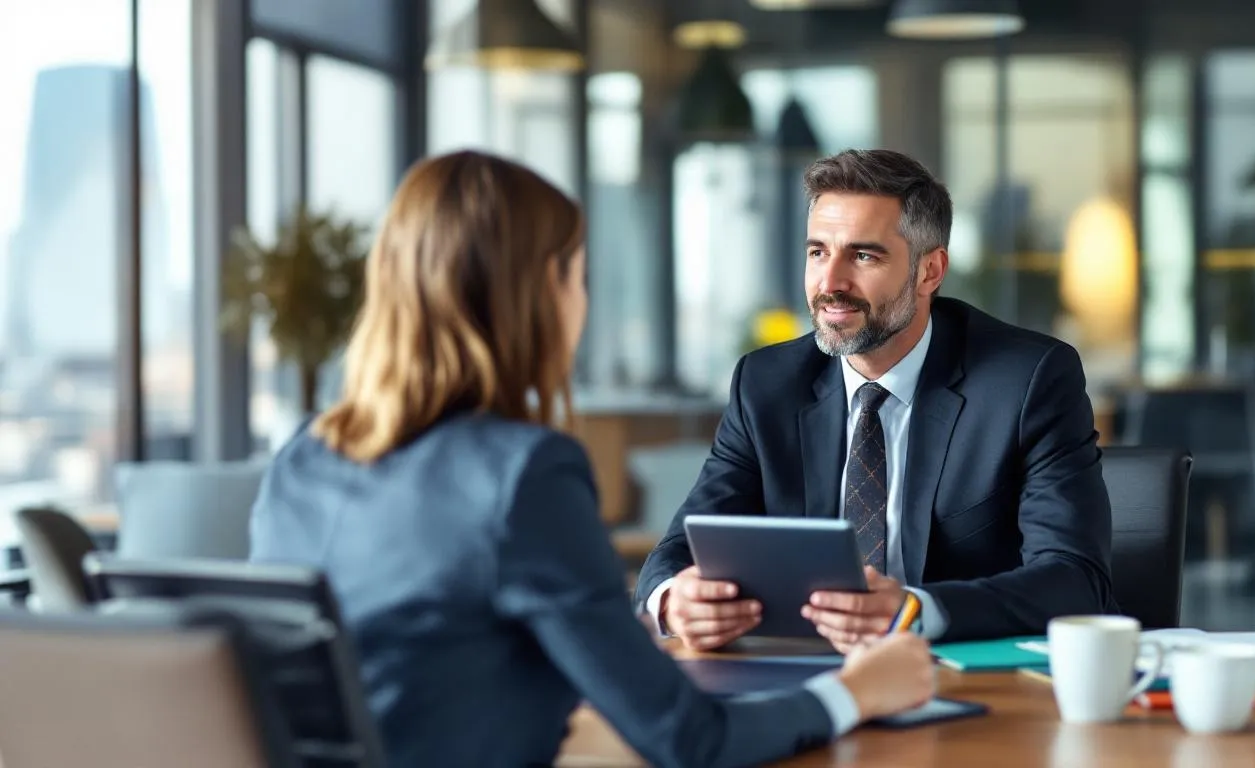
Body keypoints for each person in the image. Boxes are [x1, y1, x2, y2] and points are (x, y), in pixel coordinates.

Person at [248, 150, 936, 768]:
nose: (582, 300)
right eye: (576, 275)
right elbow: (688, 739)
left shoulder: (301, 459)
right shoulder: (523, 475)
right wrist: (855, 692)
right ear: (537, 294)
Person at [634, 149, 1116, 651]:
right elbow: (676, 553)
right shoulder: (766, 385)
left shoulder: (1027, 381)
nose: (830, 283)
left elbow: (1076, 581)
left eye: (863, 256)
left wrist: (913, 612)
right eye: (818, 252)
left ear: (929, 271)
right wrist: (674, 601)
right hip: (804, 672)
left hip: (964, 678)